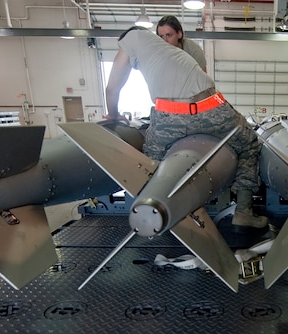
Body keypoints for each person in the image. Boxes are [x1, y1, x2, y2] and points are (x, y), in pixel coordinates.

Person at [106, 27, 267, 228]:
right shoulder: (173, 51)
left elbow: (112, 89)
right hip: (213, 109)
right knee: (249, 143)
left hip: (170, 116)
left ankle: (154, 209)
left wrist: (113, 115)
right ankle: (244, 210)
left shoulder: (130, 39)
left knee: (150, 158)